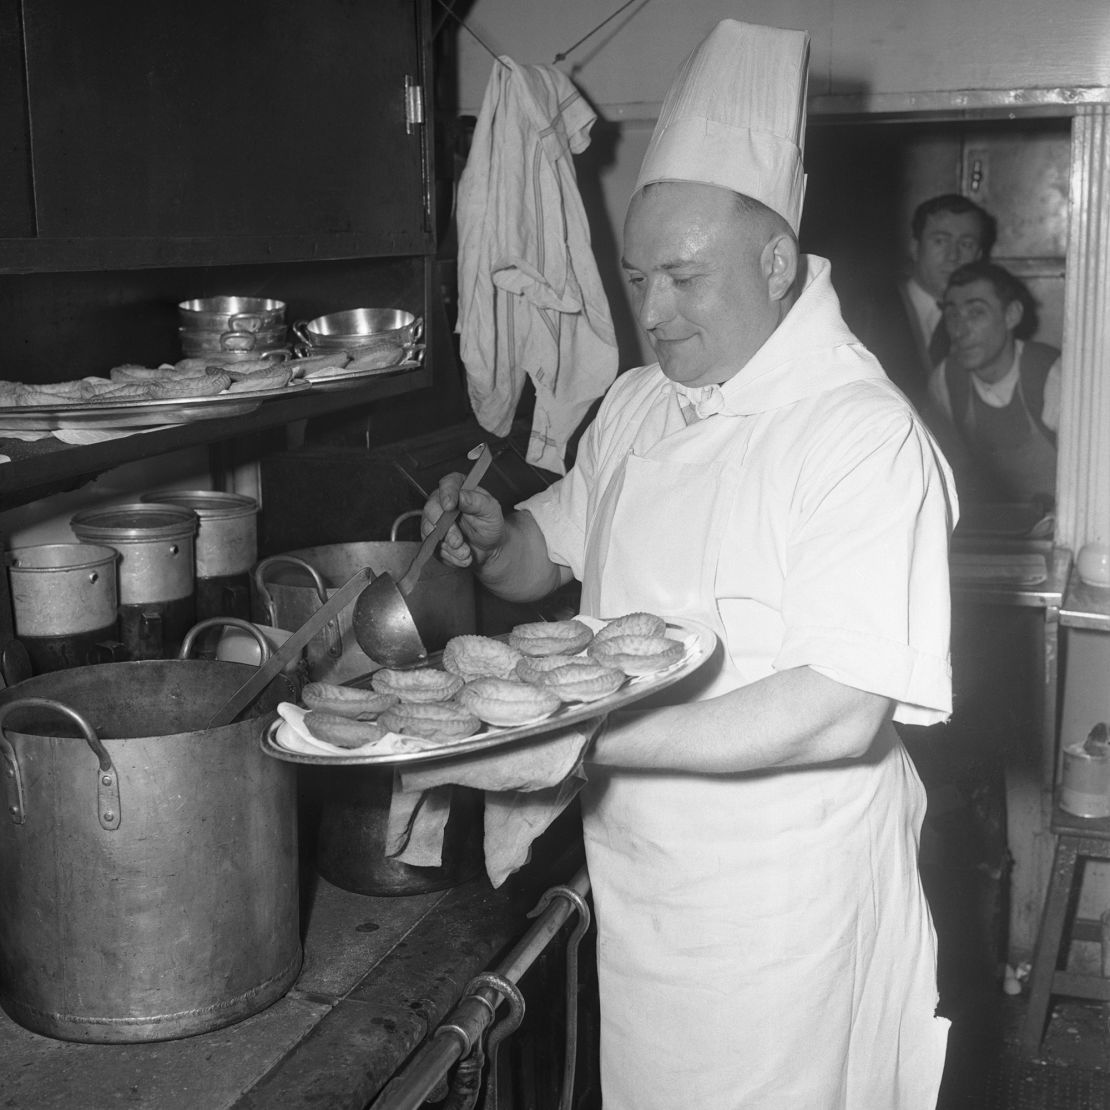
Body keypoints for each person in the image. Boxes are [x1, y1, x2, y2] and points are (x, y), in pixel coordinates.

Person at [424, 20, 957, 1109]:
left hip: (790, 917)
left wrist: (573, 744)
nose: (651, 315)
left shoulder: (856, 432)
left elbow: (842, 706)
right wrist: (496, 535)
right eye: (634, 277)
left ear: (774, 262)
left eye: (681, 278)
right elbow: (543, 564)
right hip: (644, 886)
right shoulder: (635, 406)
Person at [925, 259, 1061, 506]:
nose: (959, 330)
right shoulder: (945, 380)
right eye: (952, 314)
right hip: (996, 529)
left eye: (976, 313)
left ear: (1011, 315)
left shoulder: (1052, 375)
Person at [850, 192, 996, 411]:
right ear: (915, 247)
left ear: (978, 256)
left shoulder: (991, 321)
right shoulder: (867, 309)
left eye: (965, 244)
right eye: (940, 241)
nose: (953, 256)